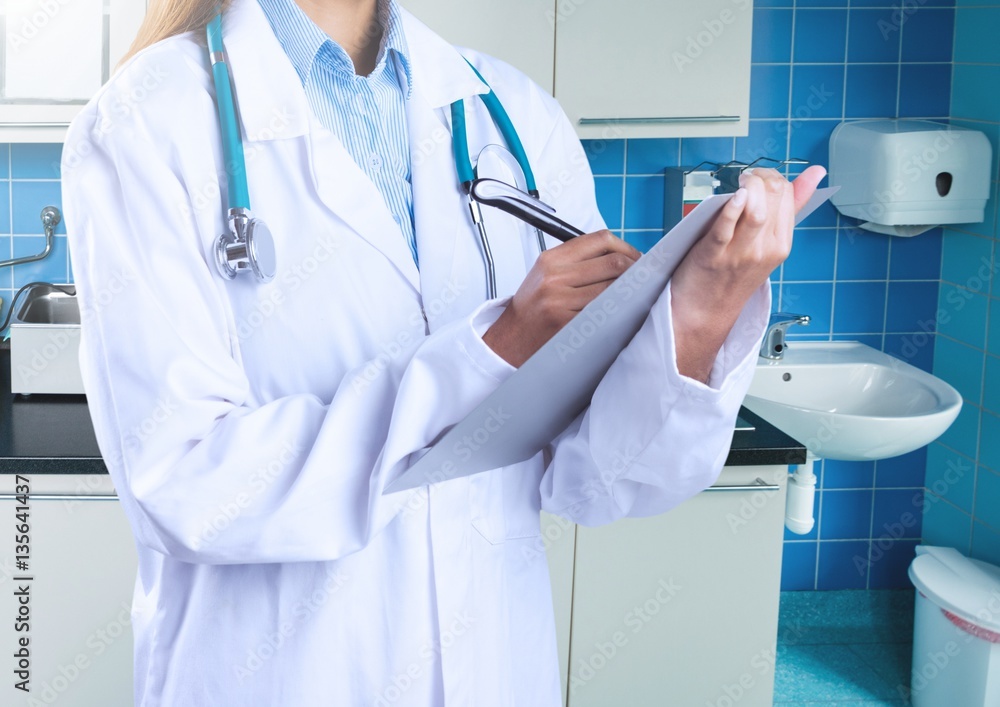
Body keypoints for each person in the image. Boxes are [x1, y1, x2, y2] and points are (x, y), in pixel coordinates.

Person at [61, 0, 825, 704]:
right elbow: (184, 482)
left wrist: (705, 306)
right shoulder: (144, 122)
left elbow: (597, 480)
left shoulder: (513, 116)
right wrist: (495, 349)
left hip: (490, 661)